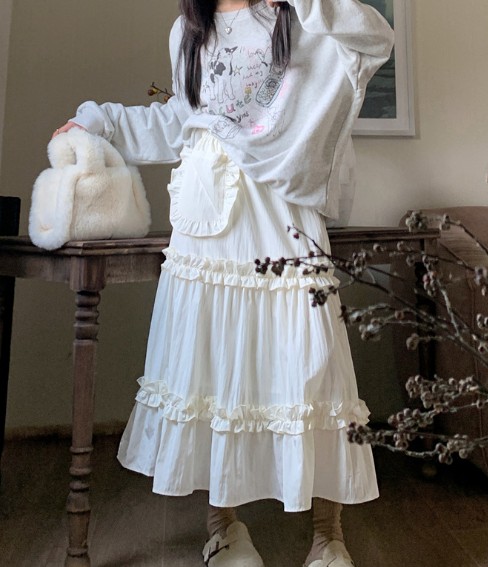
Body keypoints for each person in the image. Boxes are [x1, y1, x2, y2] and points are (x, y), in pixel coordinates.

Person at [54, 1, 393, 565]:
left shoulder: (297, 15)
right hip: (205, 217)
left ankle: (328, 538)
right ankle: (224, 530)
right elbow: (181, 121)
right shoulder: (188, 31)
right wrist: (101, 121)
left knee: (313, 364)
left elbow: (374, 39)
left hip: (281, 208)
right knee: (213, 364)